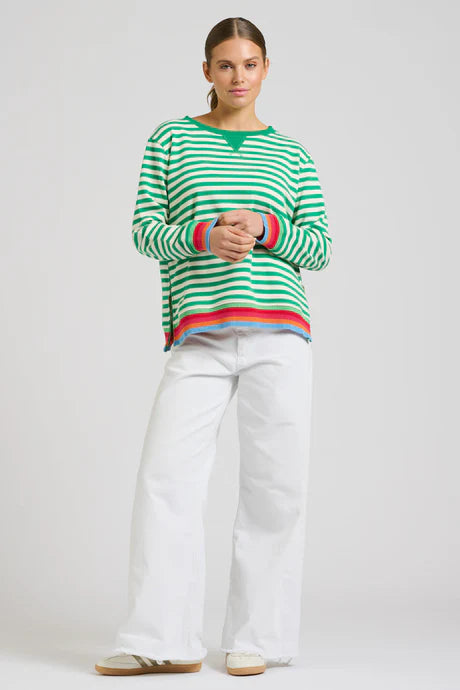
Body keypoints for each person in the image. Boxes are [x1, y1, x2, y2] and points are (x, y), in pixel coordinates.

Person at [95, 15, 332, 678]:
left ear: (266, 69)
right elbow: (145, 231)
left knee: (276, 486)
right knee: (166, 479)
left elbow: (319, 247)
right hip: (199, 336)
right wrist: (205, 235)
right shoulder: (170, 140)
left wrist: (267, 227)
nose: (238, 76)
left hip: (280, 336)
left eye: (250, 64)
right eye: (225, 64)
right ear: (207, 71)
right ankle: (161, 640)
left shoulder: (293, 155)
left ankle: (257, 637)